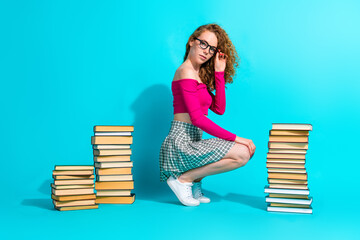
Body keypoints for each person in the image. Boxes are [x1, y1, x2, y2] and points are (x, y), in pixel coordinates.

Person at [159, 23, 256, 207]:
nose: (207, 51)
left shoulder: (197, 75)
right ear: (191, 42)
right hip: (181, 142)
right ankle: (184, 179)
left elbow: (219, 108)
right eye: (203, 44)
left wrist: (219, 73)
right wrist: (238, 139)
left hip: (194, 139)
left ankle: (194, 182)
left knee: (243, 152)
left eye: (211, 49)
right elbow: (197, 119)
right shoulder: (185, 71)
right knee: (242, 153)